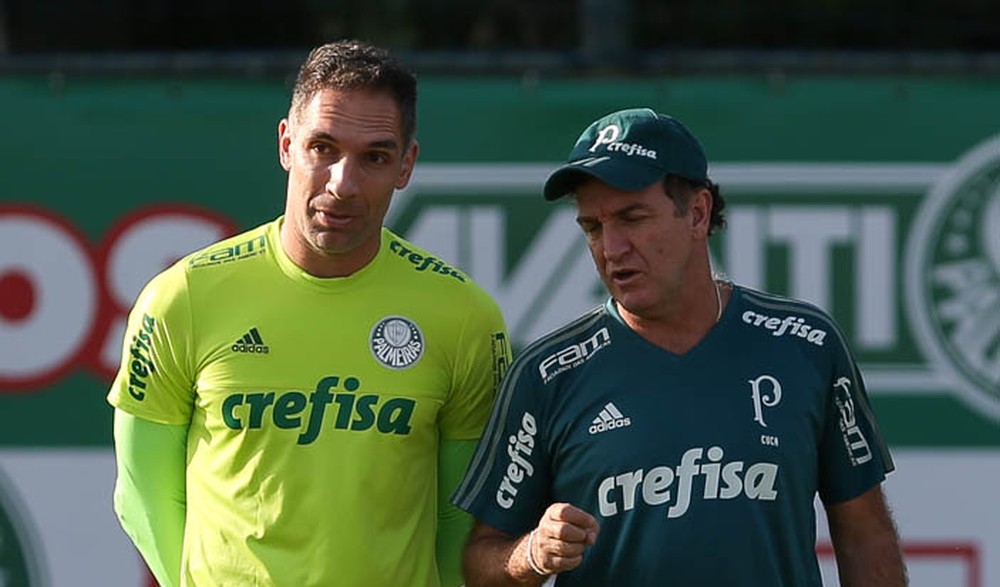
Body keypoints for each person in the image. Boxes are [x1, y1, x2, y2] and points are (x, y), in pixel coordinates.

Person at [108, 40, 511, 587]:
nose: (342, 184)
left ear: (406, 165)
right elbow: (142, 494)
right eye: (323, 147)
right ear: (286, 143)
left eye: (374, 156)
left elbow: (459, 516)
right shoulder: (182, 296)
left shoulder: (464, 315)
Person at [452, 108, 907, 586]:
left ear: (697, 212)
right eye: (592, 227)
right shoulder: (547, 374)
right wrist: (532, 554)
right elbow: (481, 563)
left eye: (632, 218)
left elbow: (865, 537)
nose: (612, 247)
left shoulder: (805, 343)